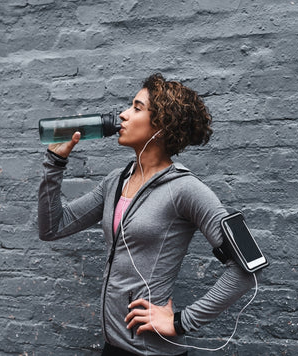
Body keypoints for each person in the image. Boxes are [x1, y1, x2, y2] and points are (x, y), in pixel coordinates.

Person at [38, 73, 256, 355]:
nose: (123, 115)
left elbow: (247, 267)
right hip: (113, 346)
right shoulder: (116, 181)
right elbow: (52, 227)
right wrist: (55, 163)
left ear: (162, 125)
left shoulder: (186, 189)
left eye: (137, 108)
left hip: (152, 351)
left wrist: (180, 322)